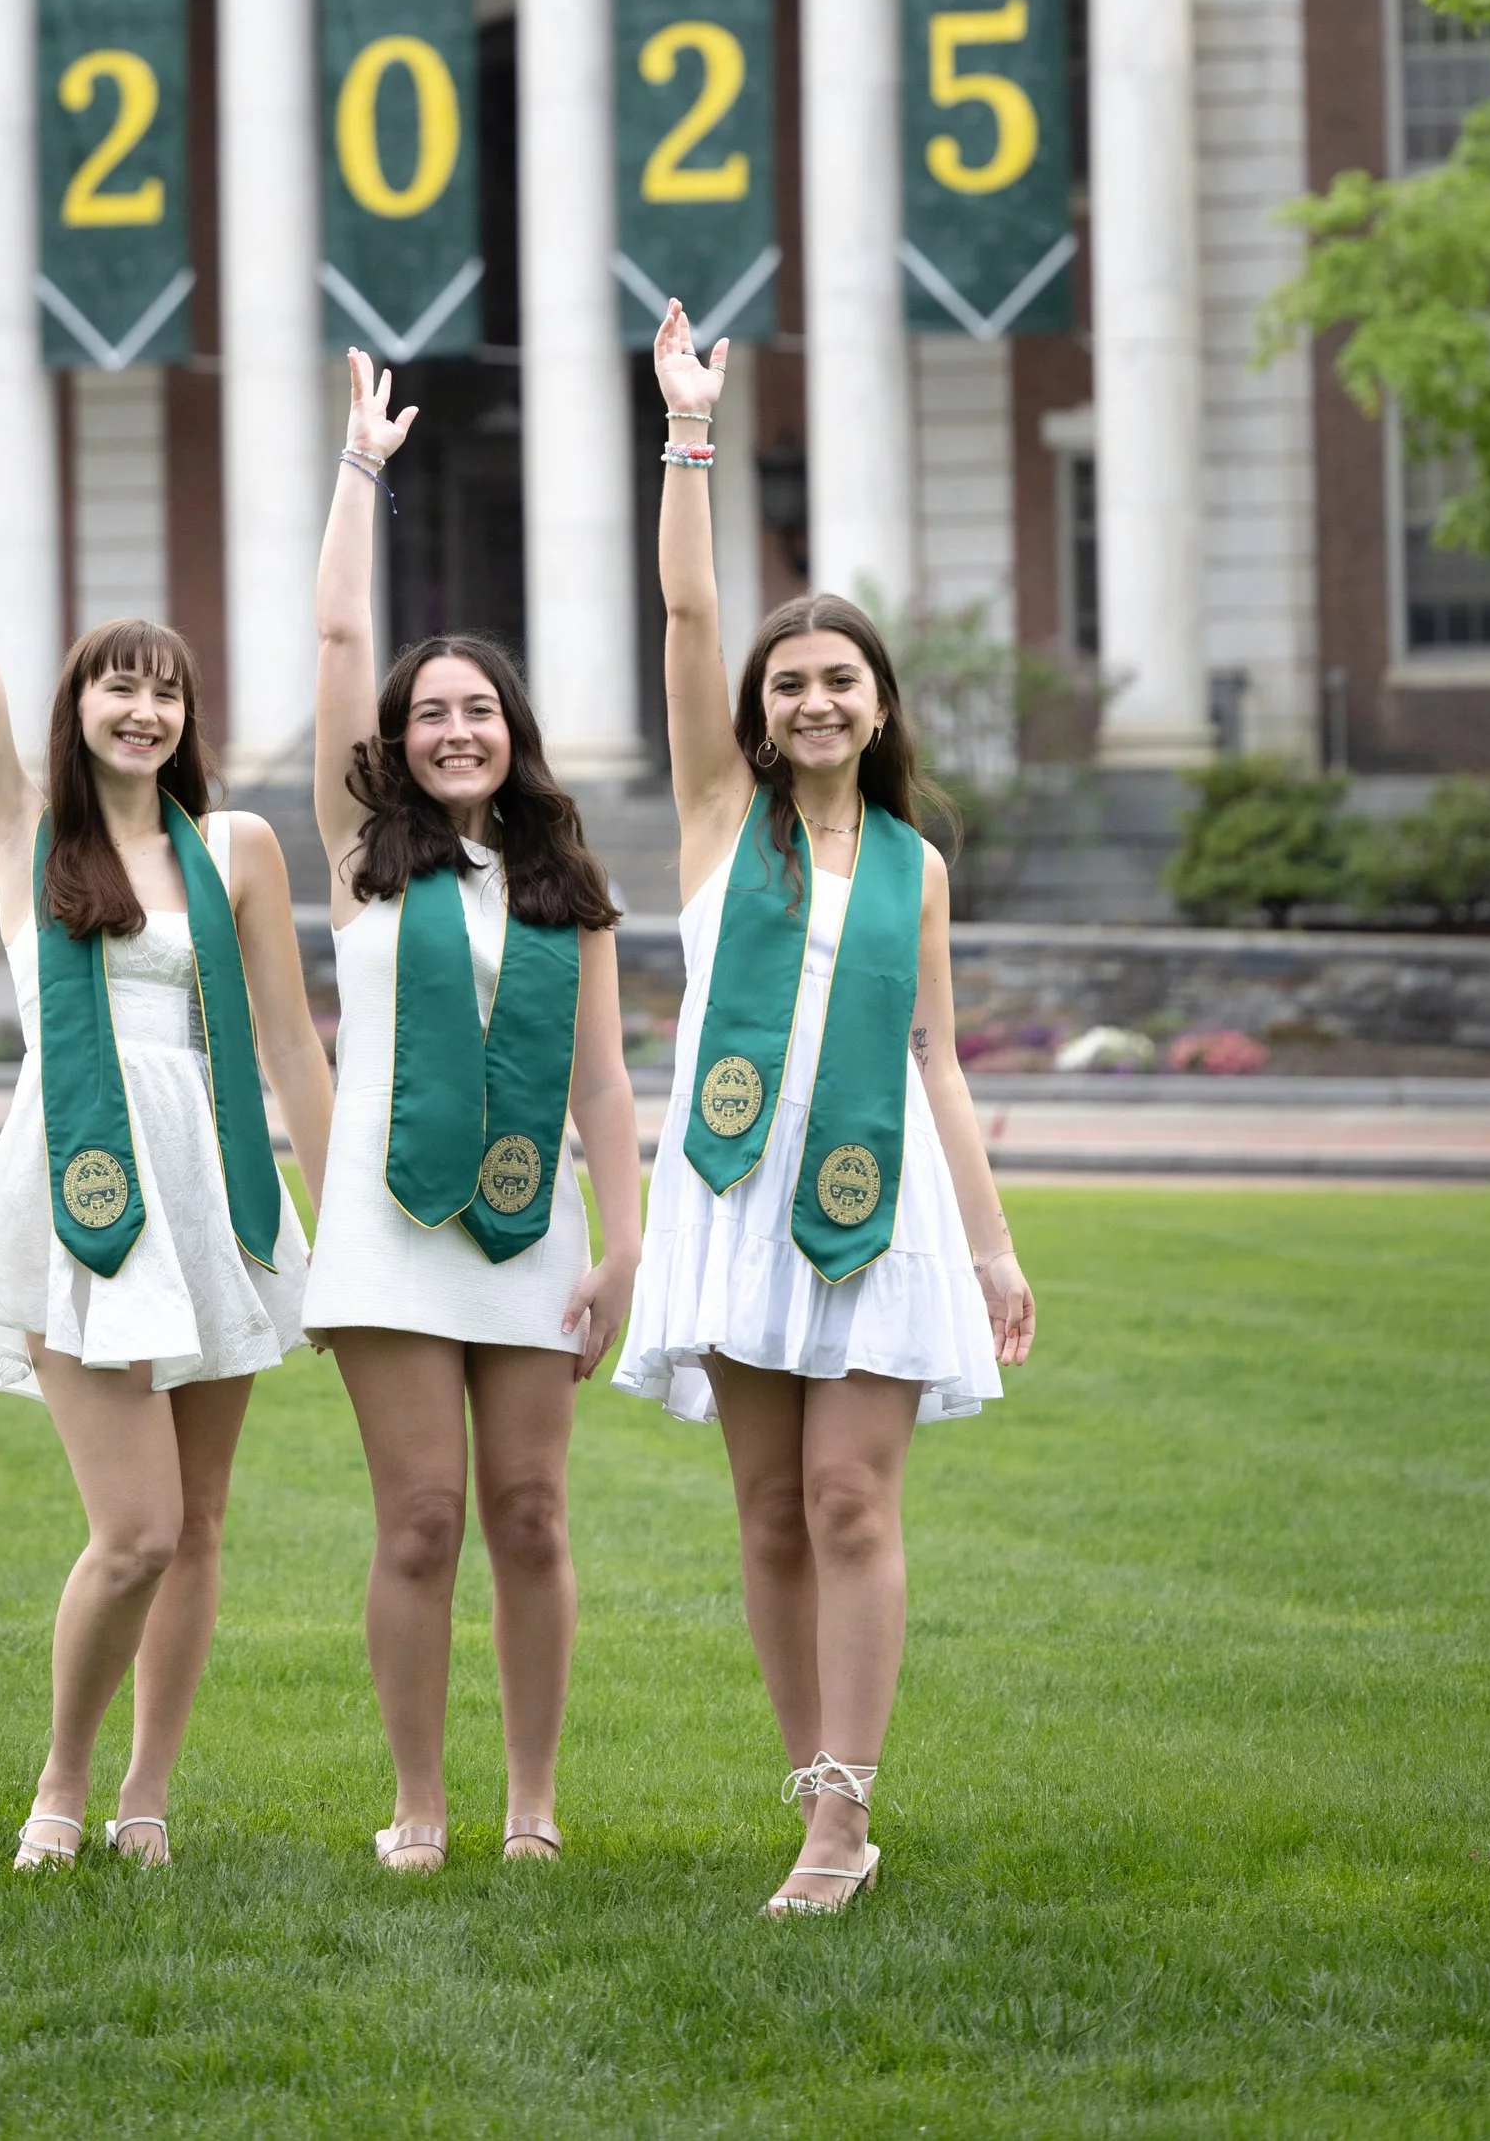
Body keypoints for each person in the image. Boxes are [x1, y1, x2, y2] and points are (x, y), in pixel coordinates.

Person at [0, 387, 332, 1876]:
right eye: (119, 686)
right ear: (80, 704)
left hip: (215, 1197)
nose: (144, 710)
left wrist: (345, 1216)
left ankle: (148, 1798)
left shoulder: (235, 848)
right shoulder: (23, 836)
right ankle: (61, 1778)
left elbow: (289, 1041)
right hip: (81, 1195)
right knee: (137, 1530)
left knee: (203, 1523)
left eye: (166, 691)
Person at [614, 304, 1037, 1916]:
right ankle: (814, 1795)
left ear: (878, 702)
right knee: (769, 1511)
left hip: (875, 1191)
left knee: (851, 1496)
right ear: (761, 708)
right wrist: (689, 433)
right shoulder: (721, 818)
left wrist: (993, 1250)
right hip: (736, 1187)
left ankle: (846, 1812)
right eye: (789, 681)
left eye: (838, 679)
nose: (811, 700)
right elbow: (684, 605)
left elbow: (939, 1059)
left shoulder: (917, 868)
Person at [304, 351, 640, 1874]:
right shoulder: (360, 851)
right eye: (429, 712)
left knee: (531, 1514)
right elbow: (334, 634)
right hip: (388, 1228)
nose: (455, 729)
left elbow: (605, 1082)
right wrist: (360, 471)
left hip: (529, 1226)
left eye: (479, 710)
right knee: (422, 1521)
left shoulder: (567, 882)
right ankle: (420, 1806)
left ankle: (533, 1806)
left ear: (514, 729)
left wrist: (622, 1244)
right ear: (397, 736)